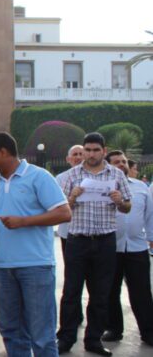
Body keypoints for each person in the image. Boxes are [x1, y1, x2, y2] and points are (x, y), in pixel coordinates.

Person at [0, 132, 71, 357]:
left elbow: (64, 213)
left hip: (36, 266)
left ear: (3, 152)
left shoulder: (39, 177)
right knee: (11, 330)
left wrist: (23, 221)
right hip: (4, 266)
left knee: (42, 334)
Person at [56, 132, 132, 356]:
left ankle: (93, 340)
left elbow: (127, 207)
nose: (90, 154)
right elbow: (61, 209)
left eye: (95, 150)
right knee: (71, 291)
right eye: (87, 150)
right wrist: (72, 198)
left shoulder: (116, 174)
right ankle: (66, 338)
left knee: (100, 293)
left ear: (103, 151)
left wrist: (119, 201)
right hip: (78, 240)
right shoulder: (72, 175)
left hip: (105, 240)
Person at [102, 150, 153, 346]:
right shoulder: (102, 188)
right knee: (111, 291)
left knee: (141, 292)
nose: (122, 164)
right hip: (111, 248)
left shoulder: (141, 187)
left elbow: (149, 215)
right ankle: (114, 329)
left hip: (137, 247)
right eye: (116, 162)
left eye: (123, 161)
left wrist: (151, 238)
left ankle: (148, 331)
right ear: (108, 165)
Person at [55, 145, 84, 257]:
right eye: (75, 154)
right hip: (68, 231)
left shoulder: (95, 176)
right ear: (68, 159)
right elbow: (57, 204)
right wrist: (73, 196)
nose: (78, 157)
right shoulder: (61, 178)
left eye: (81, 154)